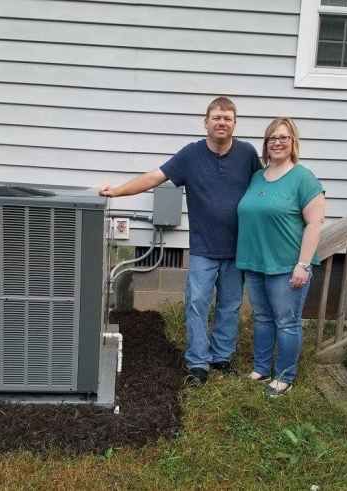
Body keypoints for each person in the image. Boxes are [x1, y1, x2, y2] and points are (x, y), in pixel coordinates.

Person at [100, 97, 260, 386]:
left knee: (230, 304)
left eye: (227, 118)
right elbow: (154, 177)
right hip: (203, 248)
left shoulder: (247, 154)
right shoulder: (191, 155)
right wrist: (117, 191)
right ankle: (198, 363)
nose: (222, 122)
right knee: (197, 304)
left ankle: (221, 358)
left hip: (239, 248)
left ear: (234, 124)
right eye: (217, 117)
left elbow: (266, 185)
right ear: (206, 122)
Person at [236, 117, 325, 398]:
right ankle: (262, 368)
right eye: (272, 137)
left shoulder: (303, 178)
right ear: (266, 144)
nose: (277, 142)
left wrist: (303, 264)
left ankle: (285, 376)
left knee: (286, 321)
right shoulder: (256, 176)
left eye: (283, 137)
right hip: (255, 262)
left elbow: (314, 223)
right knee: (262, 318)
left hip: (287, 265)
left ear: (293, 142)